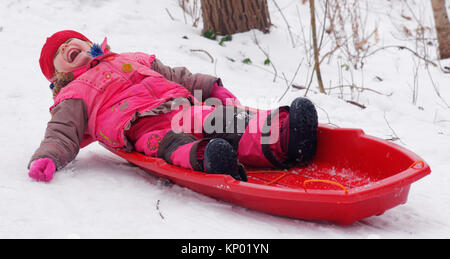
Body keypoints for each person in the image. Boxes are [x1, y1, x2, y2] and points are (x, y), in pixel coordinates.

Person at [28, 30, 318, 183]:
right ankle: (211, 160)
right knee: (172, 146)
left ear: (90, 42)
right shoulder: (73, 94)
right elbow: (61, 132)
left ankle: (285, 138)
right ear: (59, 76)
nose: (67, 46)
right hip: (143, 128)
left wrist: (210, 87)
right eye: (60, 52)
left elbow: (178, 76)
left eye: (72, 40)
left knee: (224, 119)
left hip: (182, 109)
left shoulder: (131, 59)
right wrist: (48, 158)